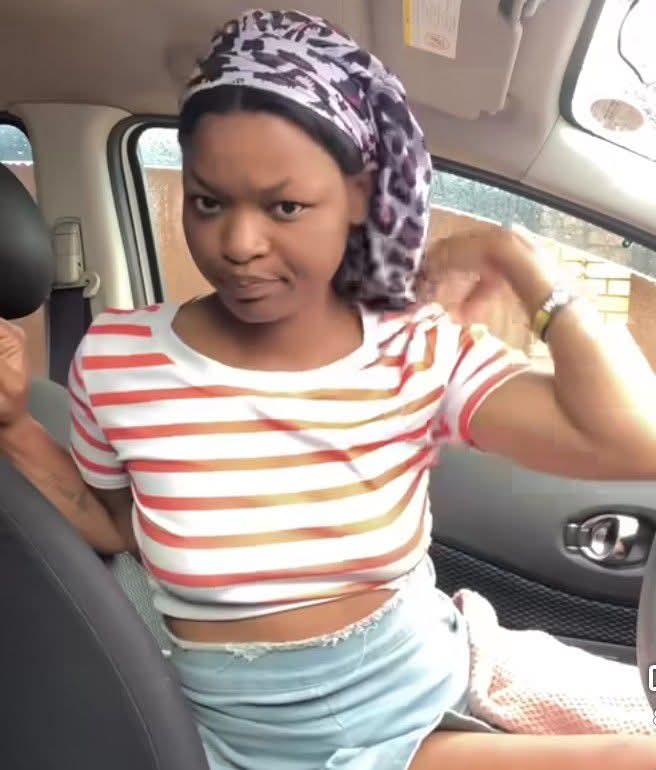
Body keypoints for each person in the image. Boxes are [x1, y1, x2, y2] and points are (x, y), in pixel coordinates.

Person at [1, 9, 656, 770]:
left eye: (284, 207)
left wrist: (525, 264)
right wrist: (13, 426)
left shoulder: (415, 347)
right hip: (242, 745)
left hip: (420, 711)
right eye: (209, 202)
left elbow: (635, 438)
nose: (239, 245)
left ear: (358, 196)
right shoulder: (120, 357)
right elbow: (117, 526)